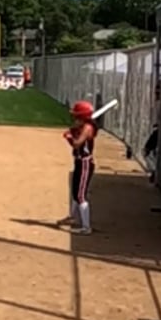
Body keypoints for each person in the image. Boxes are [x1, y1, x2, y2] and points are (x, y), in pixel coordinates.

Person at [65, 100, 97, 235]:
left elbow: (77, 144)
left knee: (80, 195)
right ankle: (73, 217)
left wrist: (69, 137)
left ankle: (86, 227)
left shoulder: (88, 128)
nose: (74, 118)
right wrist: (73, 130)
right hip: (78, 162)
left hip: (85, 163)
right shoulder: (82, 126)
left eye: (76, 116)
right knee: (75, 191)